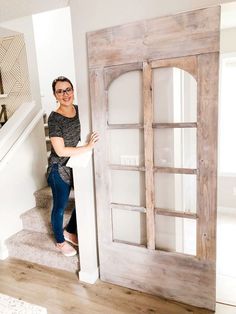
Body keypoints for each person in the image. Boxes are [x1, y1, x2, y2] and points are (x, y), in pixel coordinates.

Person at [47, 76, 99, 257]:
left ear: (73, 91)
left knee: (85, 197)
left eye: (68, 89)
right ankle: (60, 242)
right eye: (60, 91)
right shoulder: (54, 119)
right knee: (60, 207)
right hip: (58, 169)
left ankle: (70, 230)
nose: (65, 94)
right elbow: (60, 151)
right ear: (55, 95)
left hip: (76, 165)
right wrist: (87, 147)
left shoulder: (79, 110)